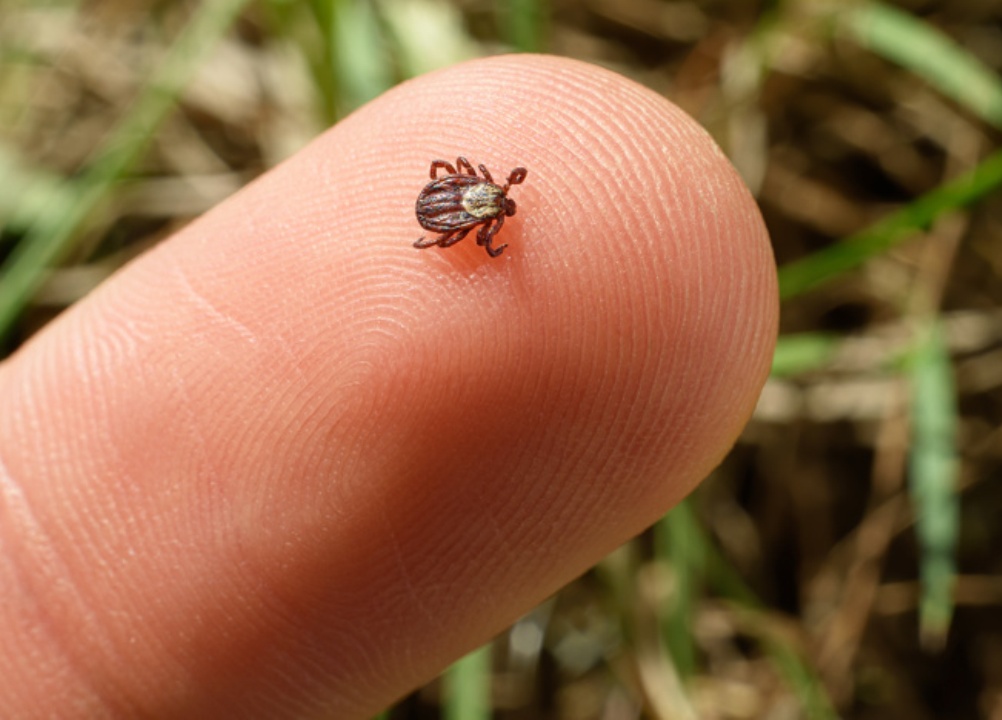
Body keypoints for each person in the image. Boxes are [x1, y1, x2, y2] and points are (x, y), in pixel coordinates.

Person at [0, 54, 777, 717]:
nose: (494, 207)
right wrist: (476, 237)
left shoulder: (468, 212)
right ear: (483, 204)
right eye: (492, 203)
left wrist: (473, 221)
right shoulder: (469, 222)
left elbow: (437, 220)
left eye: (493, 207)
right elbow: (434, 229)